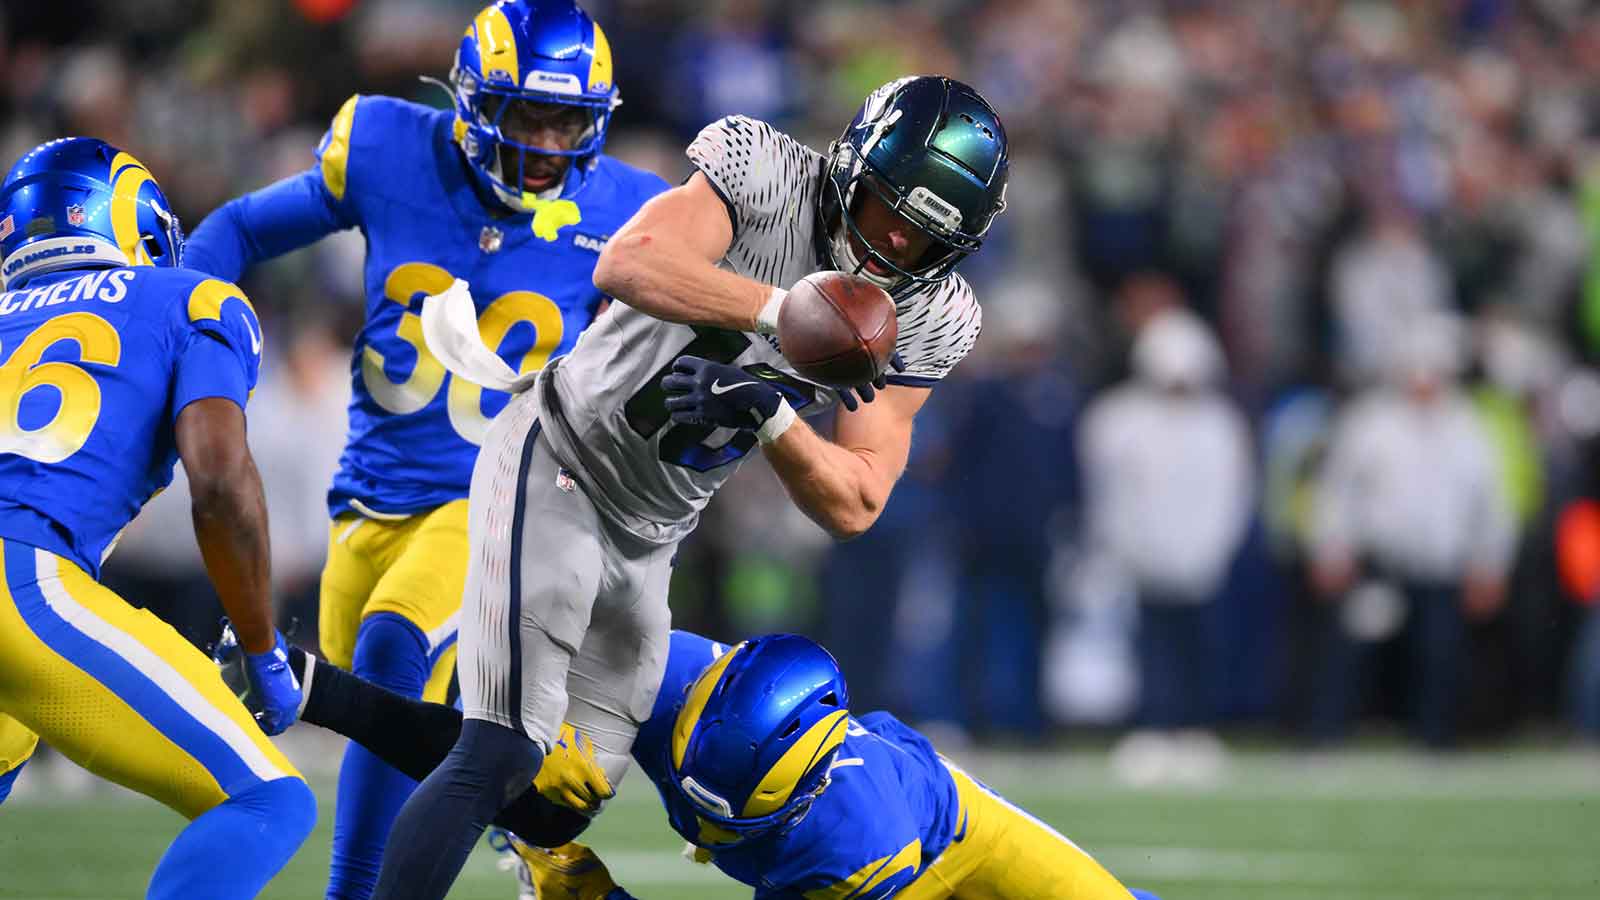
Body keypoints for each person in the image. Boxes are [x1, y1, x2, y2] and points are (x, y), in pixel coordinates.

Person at [374, 74, 1009, 898]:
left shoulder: (933, 312)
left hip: (655, 530)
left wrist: (773, 420)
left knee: (554, 804)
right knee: (502, 749)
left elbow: (858, 500)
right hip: (561, 455)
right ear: (853, 164)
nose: (891, 244)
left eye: (921, 239)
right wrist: (782, 311)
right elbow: (629, 261)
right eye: (886, 207)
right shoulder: (766, 170)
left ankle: (320, 692)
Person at [182, 1, 669, 895]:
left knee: (391, 643)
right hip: (368, 499)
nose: (551, 145)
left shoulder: (636, 211)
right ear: (472, 104)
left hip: (508, 502)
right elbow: (238, 232)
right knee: (402, 715)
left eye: (571, 122)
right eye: (529, 116)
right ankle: (535, 837)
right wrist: (186, 334)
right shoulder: (384, 145)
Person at [226, 629, 1160, 899]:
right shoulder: (666, 676)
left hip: (945, 838)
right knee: (540, 790)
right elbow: (485, 751)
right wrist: (340, 699)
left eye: (730, 826)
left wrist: (596, 899)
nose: (704, 834)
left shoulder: (841, 843)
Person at [0, 137, 312, 898]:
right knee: (268, 798)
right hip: (23, 582)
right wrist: (264, 646)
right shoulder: (190, 297)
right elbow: (220, 482)